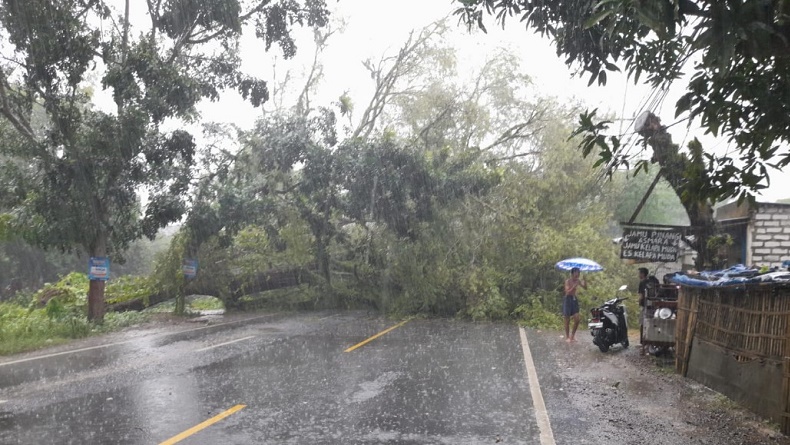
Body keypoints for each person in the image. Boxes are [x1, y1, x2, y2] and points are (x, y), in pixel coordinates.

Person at [563, 267, 587, 342]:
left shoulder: (578, 280)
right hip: (567, 299)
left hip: (574, 299)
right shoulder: (568, 281)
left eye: (579, 273)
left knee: (577, 319)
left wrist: (585, 280)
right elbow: (567, 292)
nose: (578, 274)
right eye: (577, 272)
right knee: (567, 319)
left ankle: (572, 336)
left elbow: (585, 288)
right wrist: (574, 286)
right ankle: (567, 337)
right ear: (573, 273)